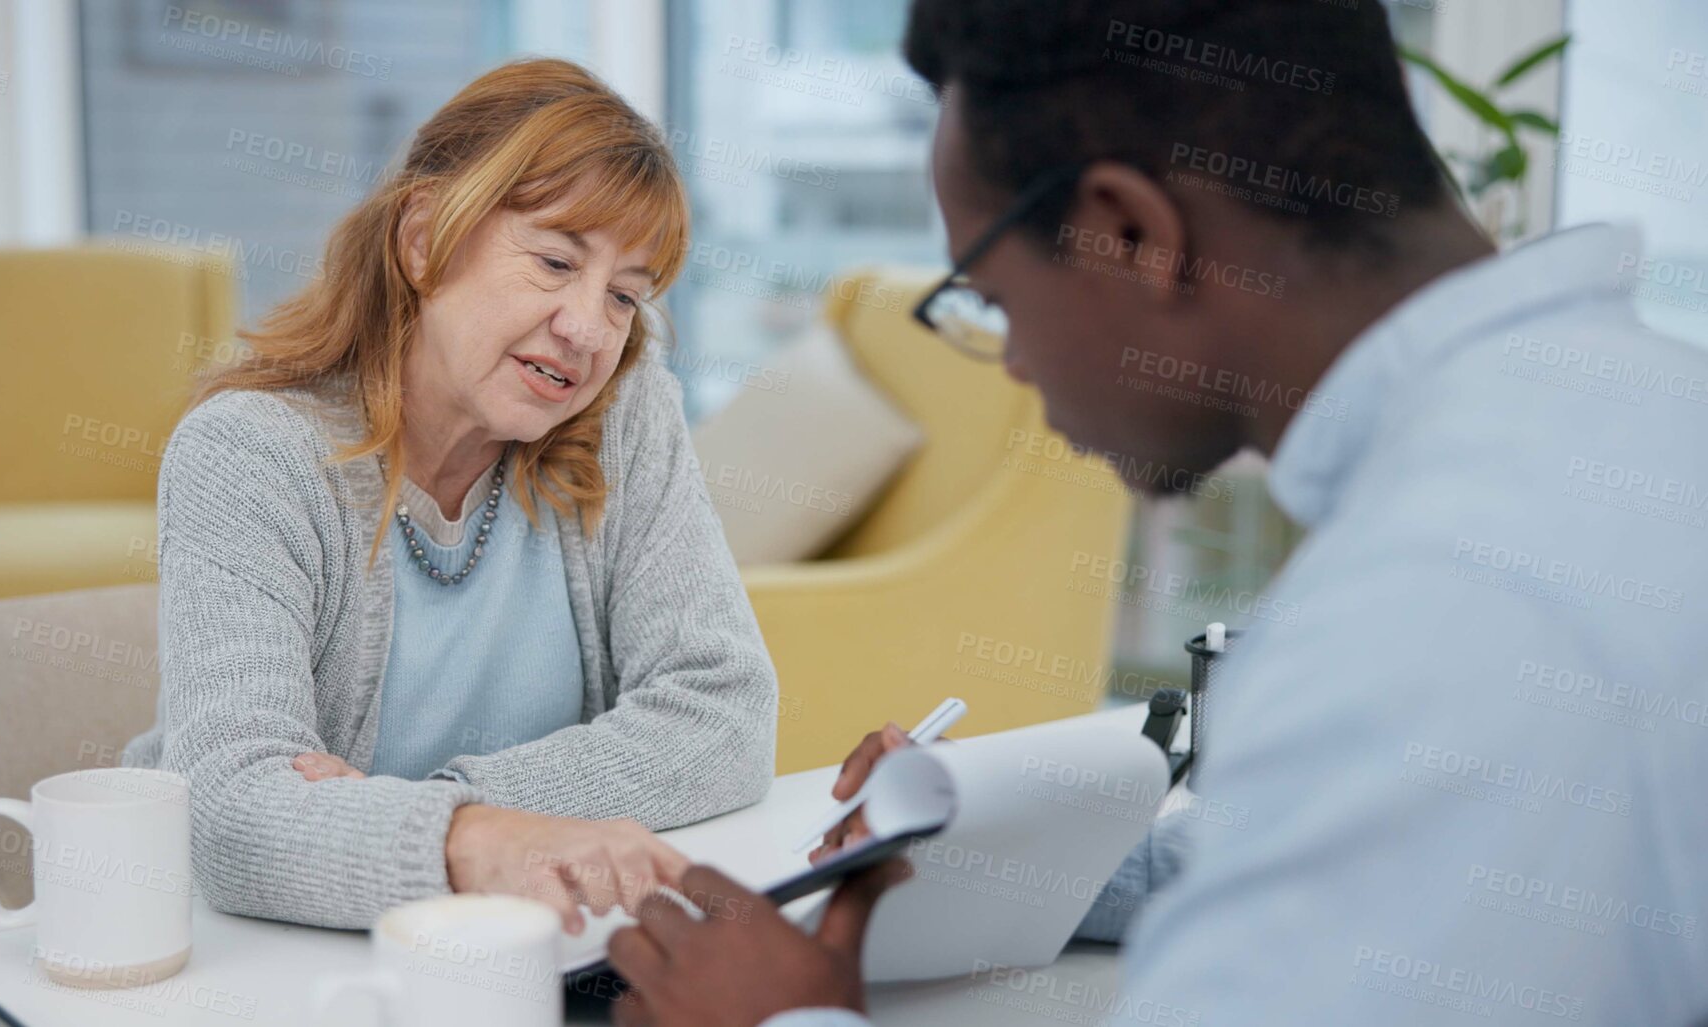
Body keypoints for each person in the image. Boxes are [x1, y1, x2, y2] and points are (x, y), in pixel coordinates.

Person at [604, 1, 1708, 1024]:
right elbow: (1300, 852)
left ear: (1128, 234)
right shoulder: (1618, 421)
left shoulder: (1440, 603)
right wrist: (963, 844)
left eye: (989, 301)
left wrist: (788, 1018)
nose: (1017, 362)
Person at [121, 58, 778, 933]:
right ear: (424, 238)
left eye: (625, 295)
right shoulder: (249, 452)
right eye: (553, 261)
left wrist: (467, 812)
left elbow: (726, 712)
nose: (588, 330)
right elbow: (234, 815)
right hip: (267, 957)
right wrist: (476, 840)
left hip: (511, 949)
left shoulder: (624, 406)